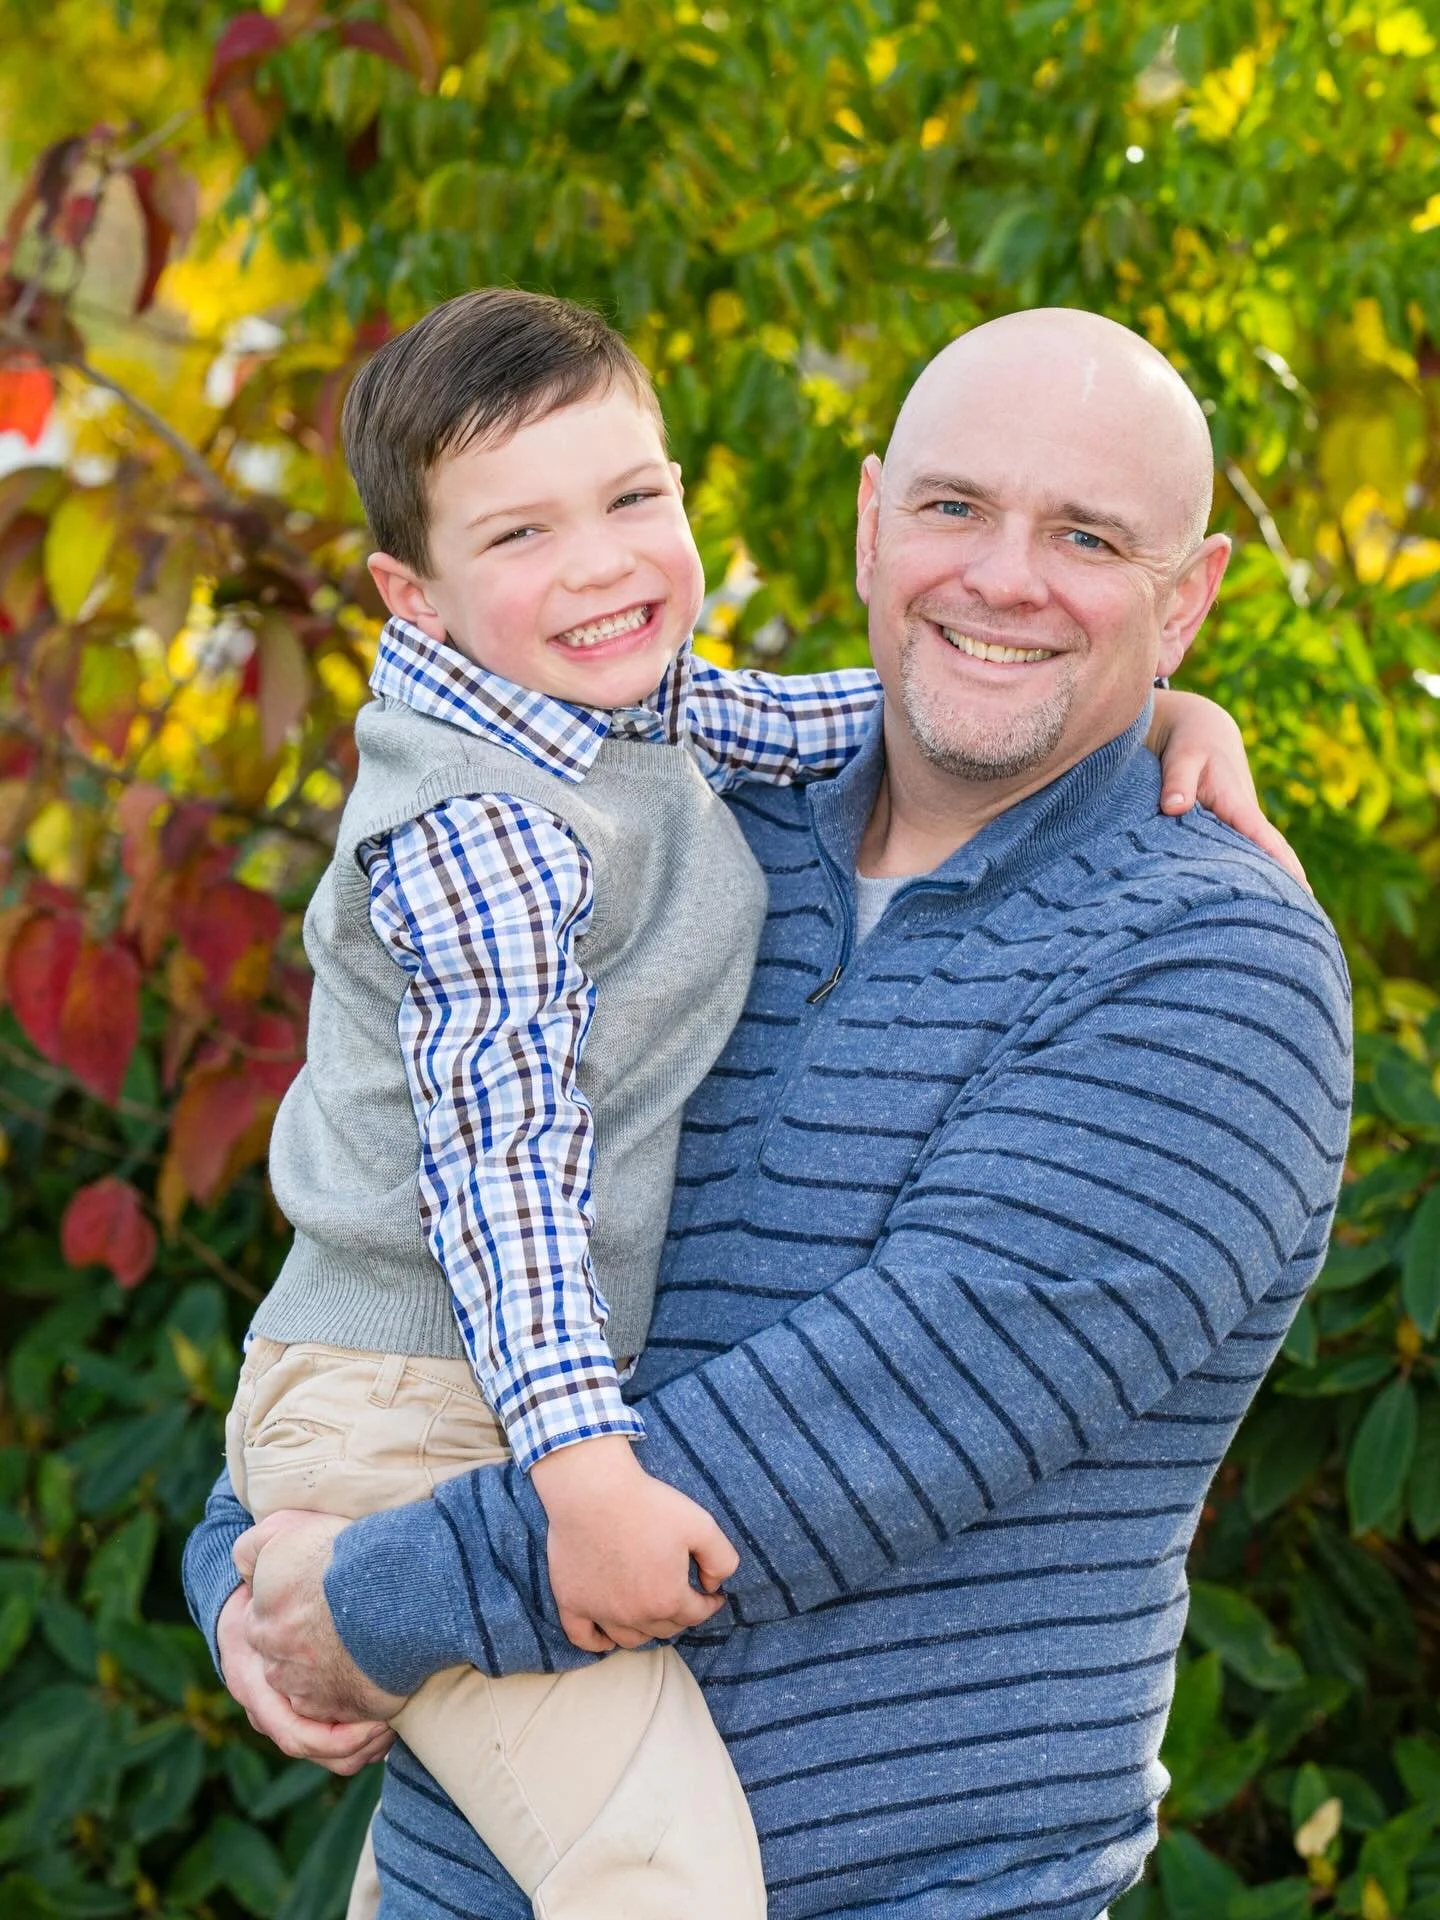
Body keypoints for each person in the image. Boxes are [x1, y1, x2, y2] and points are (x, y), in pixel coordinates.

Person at [185, 306, 1349, 1920]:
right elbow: (415, 1243)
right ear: (872, 524)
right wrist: (246, 1571)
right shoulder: (673, 832)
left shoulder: (1210, 964)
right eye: (953, 507)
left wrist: (366, 1601)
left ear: (1190, 595)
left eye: (1087, 538)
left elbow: (845, 1440)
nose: (1005, 578)